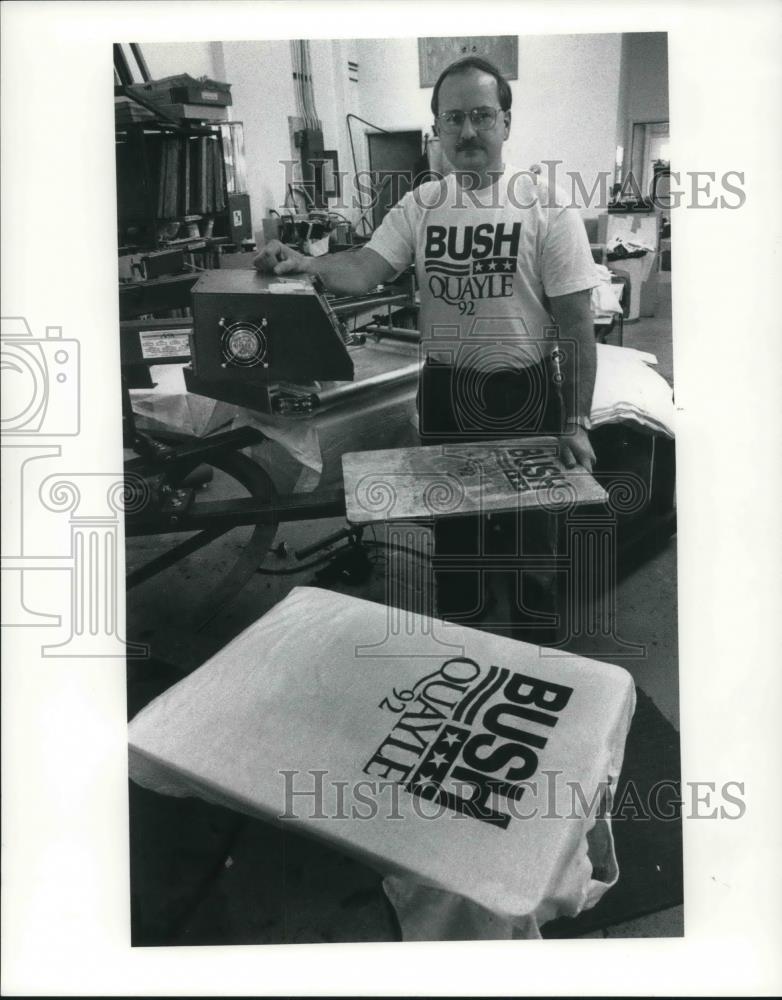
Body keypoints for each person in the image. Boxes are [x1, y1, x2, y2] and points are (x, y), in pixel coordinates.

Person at [255, 55, 599, 625]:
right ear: (437, 126)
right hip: (446, 393)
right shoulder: (422, 206)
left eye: (482, 116)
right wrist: (303, 263)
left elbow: (576, 324)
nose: (467, 131)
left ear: (506, 124)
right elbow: (365, 267)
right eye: (453, 117)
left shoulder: (547, 208)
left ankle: (538, 650)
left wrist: (577, 420)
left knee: (531, 541)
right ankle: (463, 641)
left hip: (528, 396)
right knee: (457, 539)